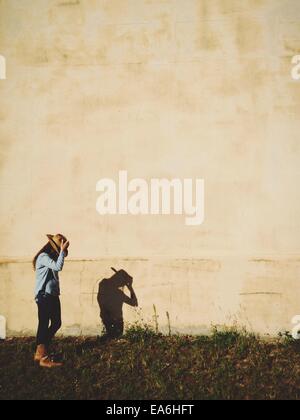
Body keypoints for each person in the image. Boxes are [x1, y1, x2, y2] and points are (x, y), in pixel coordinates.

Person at [33, 234, 69, 368]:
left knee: (56, 322)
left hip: (51, 295)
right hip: (44, 295)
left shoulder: (50, 257)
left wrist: (63, 250)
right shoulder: (43, 257)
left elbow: (63, 257)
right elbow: (58, 266)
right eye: (58, 249)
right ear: (52, 248)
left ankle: (40, 350)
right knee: (44, 324)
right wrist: (62, 252)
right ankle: (43, 357)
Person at [97, 268, 138, 340]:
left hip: (109, 319)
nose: (122, 286)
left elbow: (134, 303)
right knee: (115, 338)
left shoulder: (103, 284)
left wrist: (129, 286)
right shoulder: (117, 293)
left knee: (112, 338)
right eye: (122, 284)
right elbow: (134, 303)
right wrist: (130, 288)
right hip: (114, 321)